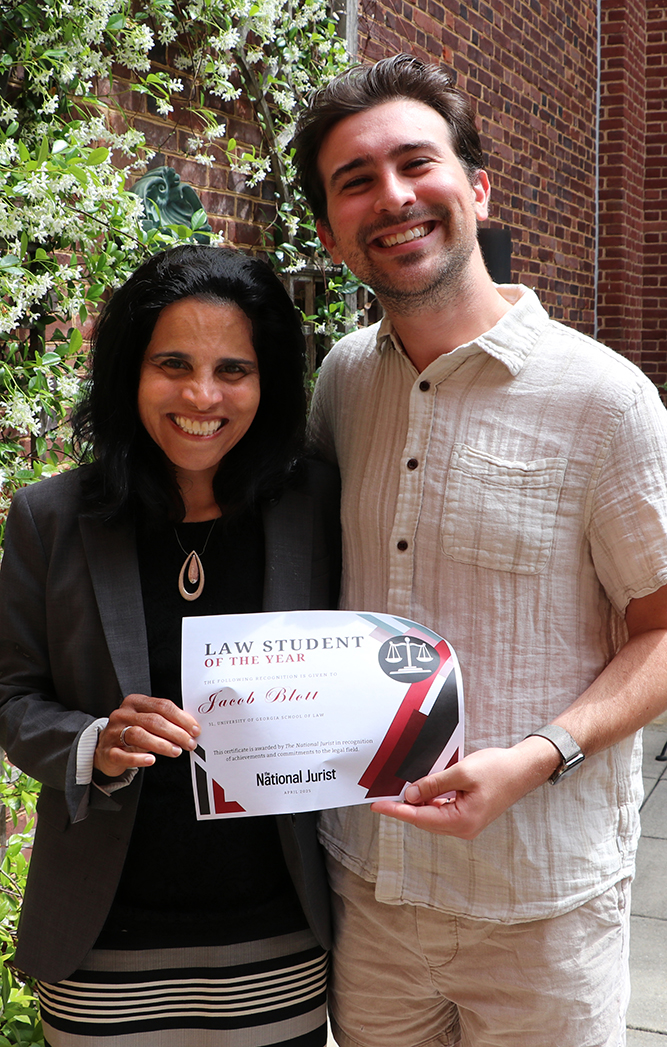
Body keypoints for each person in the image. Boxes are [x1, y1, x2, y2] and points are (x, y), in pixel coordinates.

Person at [292, 53, 667, 1047]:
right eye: (356, 181)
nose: (394, 197)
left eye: (417, 163)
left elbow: (662, 628)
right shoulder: (339, 385)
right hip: (368, 891)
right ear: (332, 234)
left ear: (476, 186)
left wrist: (540, 756)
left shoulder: (606, 401)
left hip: (538, 903)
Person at [0, 245, 340, 1047]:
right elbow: (11, 695)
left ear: (270, 382)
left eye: (233, 369)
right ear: (130, 372)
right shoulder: (51, 516)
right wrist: (94, 743)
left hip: (277, 933)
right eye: (173, 364)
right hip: (104, 942)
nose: (201, 395)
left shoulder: (315, 503)